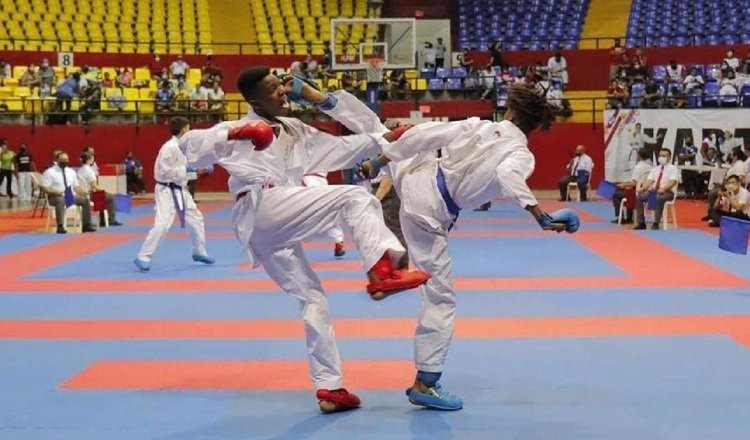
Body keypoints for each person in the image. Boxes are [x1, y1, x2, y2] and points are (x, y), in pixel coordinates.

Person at [176, 67, 431, 414]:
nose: (282, 92)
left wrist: (385, 137)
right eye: (272, 89)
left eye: (281, 86)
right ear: (254, 101)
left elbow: (343, 148)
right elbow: (187, 148)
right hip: (260, 205)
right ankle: (381, 270)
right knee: (355, 199)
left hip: (276, 223)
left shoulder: (296, 130)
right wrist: (240, 129)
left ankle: (330, 388)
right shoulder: (235, 131)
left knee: (314, 298)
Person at [357, 83, 580, 411]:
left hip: (414, 178)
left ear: (512, 112)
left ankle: (334, 108)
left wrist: (380, 160)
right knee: (441, 298)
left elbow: (431, 134)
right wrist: (539, 214)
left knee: (400, 134)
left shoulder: (479, 124)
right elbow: (508, 174)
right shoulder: (520, 154)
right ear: (534, 126)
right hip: (430, 213)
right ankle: (426, 383)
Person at [134, 117, 215, 271]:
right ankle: (143, 256)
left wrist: (198, 172)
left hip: (180, 189)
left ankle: (199, 251)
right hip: (166, 191)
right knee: (162, 224)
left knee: (196, 219)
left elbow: (184, 171)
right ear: (184, 129)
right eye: (188, 128)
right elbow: (164, 172)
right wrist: (188, 171)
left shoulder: (184, 147)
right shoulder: (169, 148)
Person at [40, 152, 96, 233]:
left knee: (85, 200)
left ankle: (87, 224)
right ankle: (60, 226)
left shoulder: (71, 172)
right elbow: (45, 188)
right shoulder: (49, 172)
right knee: (60, 200)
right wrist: (56, 192)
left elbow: (76, 187)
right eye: (62, 159)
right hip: (54, 197)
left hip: (69, 196)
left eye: (66, 159)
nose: (65, 161)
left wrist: (84, 192)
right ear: (57, 160)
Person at [301, 172, 347, 257]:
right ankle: (338, 240)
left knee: (305, 213)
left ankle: (290, 242)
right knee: (326, 212)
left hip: (309, 180)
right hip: (322, 181)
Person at [634, 148, 678, 230]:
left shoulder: (673, 169)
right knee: (639, 197)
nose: (661, 157)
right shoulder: (655, 169)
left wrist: (664, 189)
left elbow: (672, 181)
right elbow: (649, 181)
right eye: (660, 155)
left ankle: (656, 223)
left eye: (664, 156)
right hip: (654, 191)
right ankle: (641, 222)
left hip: (667, 192)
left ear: (669, 157)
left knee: (658, 197)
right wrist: (642, 189)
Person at [77, 152, 123, 227]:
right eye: (92, 158)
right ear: (89, 160)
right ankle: (111, 219)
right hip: (90, 194)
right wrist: (104, 190)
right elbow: (95, 186)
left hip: (82, 194)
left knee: (104, 196)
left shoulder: (80, 170)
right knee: (110, 197)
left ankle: (103, 220)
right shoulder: (89, 171)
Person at [612, 148, 652, 223]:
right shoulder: (650, 166)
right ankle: (629, 217)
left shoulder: (638, 167)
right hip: (648, 189)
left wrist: (623, 185)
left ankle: (620, 217)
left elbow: (635, 183)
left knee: (617, 194)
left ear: (639, 156)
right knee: (628, 191)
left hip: (639, 191)